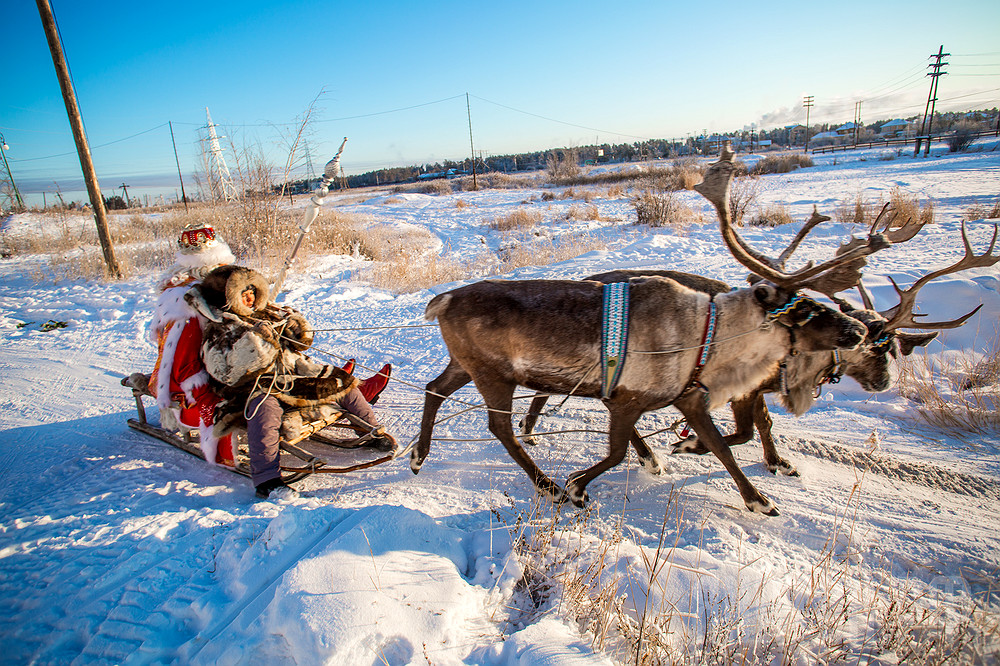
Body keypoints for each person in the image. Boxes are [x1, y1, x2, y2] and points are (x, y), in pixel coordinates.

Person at [147, 224, 391, 498]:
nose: (250, 297)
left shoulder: (262, 312)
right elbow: (224, 370)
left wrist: (294, 329)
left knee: (338, 380)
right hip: (251, 387)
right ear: (228, 297)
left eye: (252, 291)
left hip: (287, 376)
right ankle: (267, 480)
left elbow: (298, 342)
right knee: (265, 410)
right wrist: (258, 341)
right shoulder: (219, 329)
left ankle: (372, 431)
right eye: (242, 294)